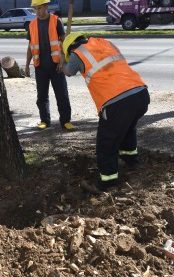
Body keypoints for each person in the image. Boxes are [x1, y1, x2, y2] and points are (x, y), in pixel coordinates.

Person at [61, 32, 150, 191]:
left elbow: (68, 71)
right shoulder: (105, 43)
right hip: (140, 94)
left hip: (117, 102)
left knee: (106, 143)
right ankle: (131, 161)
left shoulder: (77, 54)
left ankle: (108, 182)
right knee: (127, 129)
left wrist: (62, 61)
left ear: (69, 49)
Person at [24, 0, 74, 131]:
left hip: (56, 66)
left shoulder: (55, 21)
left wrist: (62, 61)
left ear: (46, 6)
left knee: (62, 95)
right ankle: (44, 120)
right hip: (40, 66)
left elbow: (64, 42)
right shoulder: (32, 25)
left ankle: (66, 121)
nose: (37, 11)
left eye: (40, 7)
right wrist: (27, 65)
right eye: (36, 8)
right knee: (42, 96)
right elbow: (30, 46)